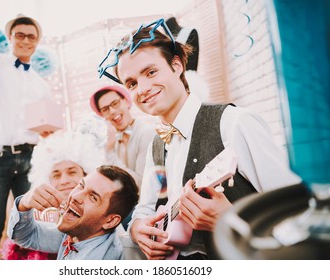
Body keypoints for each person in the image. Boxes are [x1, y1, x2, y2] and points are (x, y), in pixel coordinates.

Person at [97, 18, 301, 259]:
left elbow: (297, 213)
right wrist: (136, 228)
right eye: (131, 83)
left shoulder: (234, 123)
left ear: (176, 66)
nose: (142, 89)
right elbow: (144, 210)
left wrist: (232, 220)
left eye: (151, 72)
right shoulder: (157, 144)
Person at [0, 0, 52, 259]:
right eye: (20, 35)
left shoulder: (41, 84)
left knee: (31, 224)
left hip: (31, 157)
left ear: (37, 42)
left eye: (31, 36)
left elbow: (46, 126)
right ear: (10, 37)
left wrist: (49, 133)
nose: (25, 40)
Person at [0, 132, 104, 259]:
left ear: (86, 175)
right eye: (56, 175)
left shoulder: (106, 211)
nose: (64, 180)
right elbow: (23, 236)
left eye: (72, 172)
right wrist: (23, 204)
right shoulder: (44, 219)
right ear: (47, 181)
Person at [7, 165, 139, 260]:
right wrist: (24, 204)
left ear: (110, 221)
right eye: (81, 185)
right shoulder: (80, 231)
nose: (76, 196)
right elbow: (25, 236)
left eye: (93, 197)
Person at [89, 85, 156, 189]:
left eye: (115, 103)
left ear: (126, 101)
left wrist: (110, 154)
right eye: (105, 109)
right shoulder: (110, 140)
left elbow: (142, 185)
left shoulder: (147, 133)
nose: (112, 111)